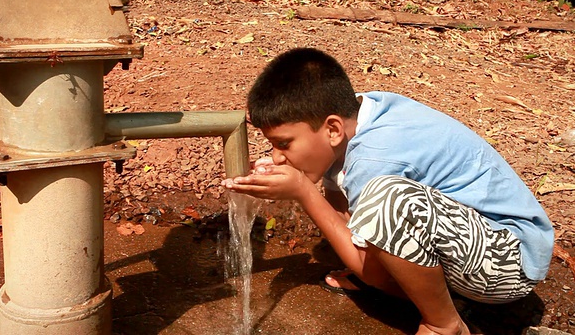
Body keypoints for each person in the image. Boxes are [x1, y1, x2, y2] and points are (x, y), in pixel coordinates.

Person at [222, 47, 554, 334]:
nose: (277, 156)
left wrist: (303, 192)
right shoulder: (360, 115)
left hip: (508, 263)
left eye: (284, 144)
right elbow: (344, 207)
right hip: (475, 240)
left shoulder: (375, 156)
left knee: (386, 202)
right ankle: (436, 294)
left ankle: (444, 324)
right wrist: (301, 172)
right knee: (370, 207)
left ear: (333, 128)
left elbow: (372, 269)